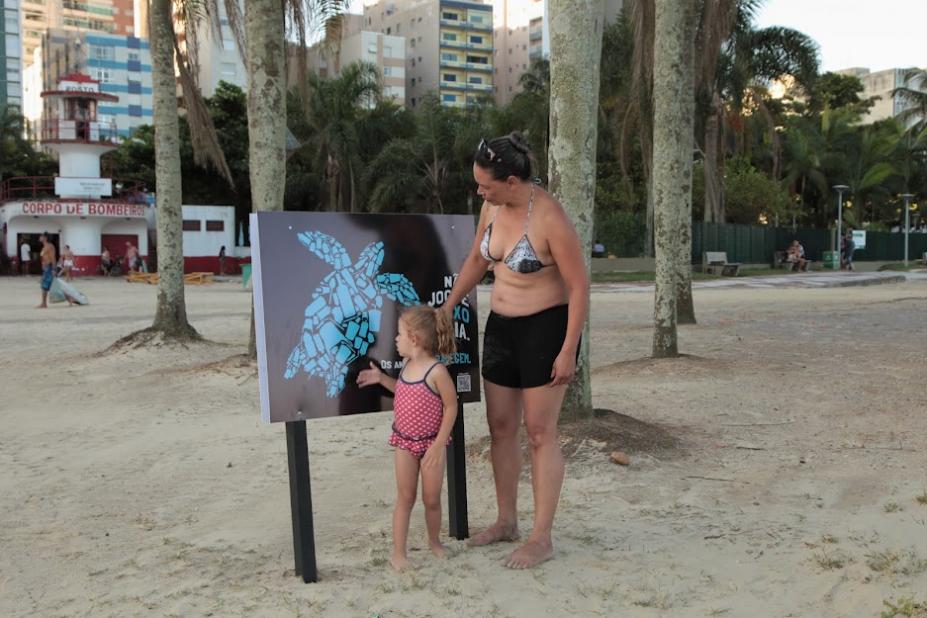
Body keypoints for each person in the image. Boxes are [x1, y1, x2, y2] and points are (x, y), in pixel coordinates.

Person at [441, 133, 589, 569]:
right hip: (500, 329)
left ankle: (542, 538)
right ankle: (507, 520)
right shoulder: (493, 207)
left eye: (484, 185)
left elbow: (580, 286)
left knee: (540, 432)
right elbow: (476, 261)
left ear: (510, 180)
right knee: (501, 425)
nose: (478, 192)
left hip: (545, 330)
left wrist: (568, 351)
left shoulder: (549, 218)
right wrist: (449, 305)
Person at [356, 306, 458, 572]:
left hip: (431, 444)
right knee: (405, 497)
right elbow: (401, 390)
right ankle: (398, 553)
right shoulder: (406, 365)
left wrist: (438, 444)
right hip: (404, 443)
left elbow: (451, 407)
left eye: (400, 334)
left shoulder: (437, 372)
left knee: (432, 499)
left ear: (414, 339)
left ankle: (434, 542)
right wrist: (380, 378)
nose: (395, 339)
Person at [37, 233, 56, 309]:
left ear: (45, 238)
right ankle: (43, 303)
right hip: (46, 268)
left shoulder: (49, 246)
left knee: (45, 285)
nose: (39, 237)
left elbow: (53, 258)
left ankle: (44, 304)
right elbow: (43, 257)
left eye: (41, 236)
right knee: (50, 285)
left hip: (49, 267)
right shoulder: (44, 247)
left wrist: (54, 269)